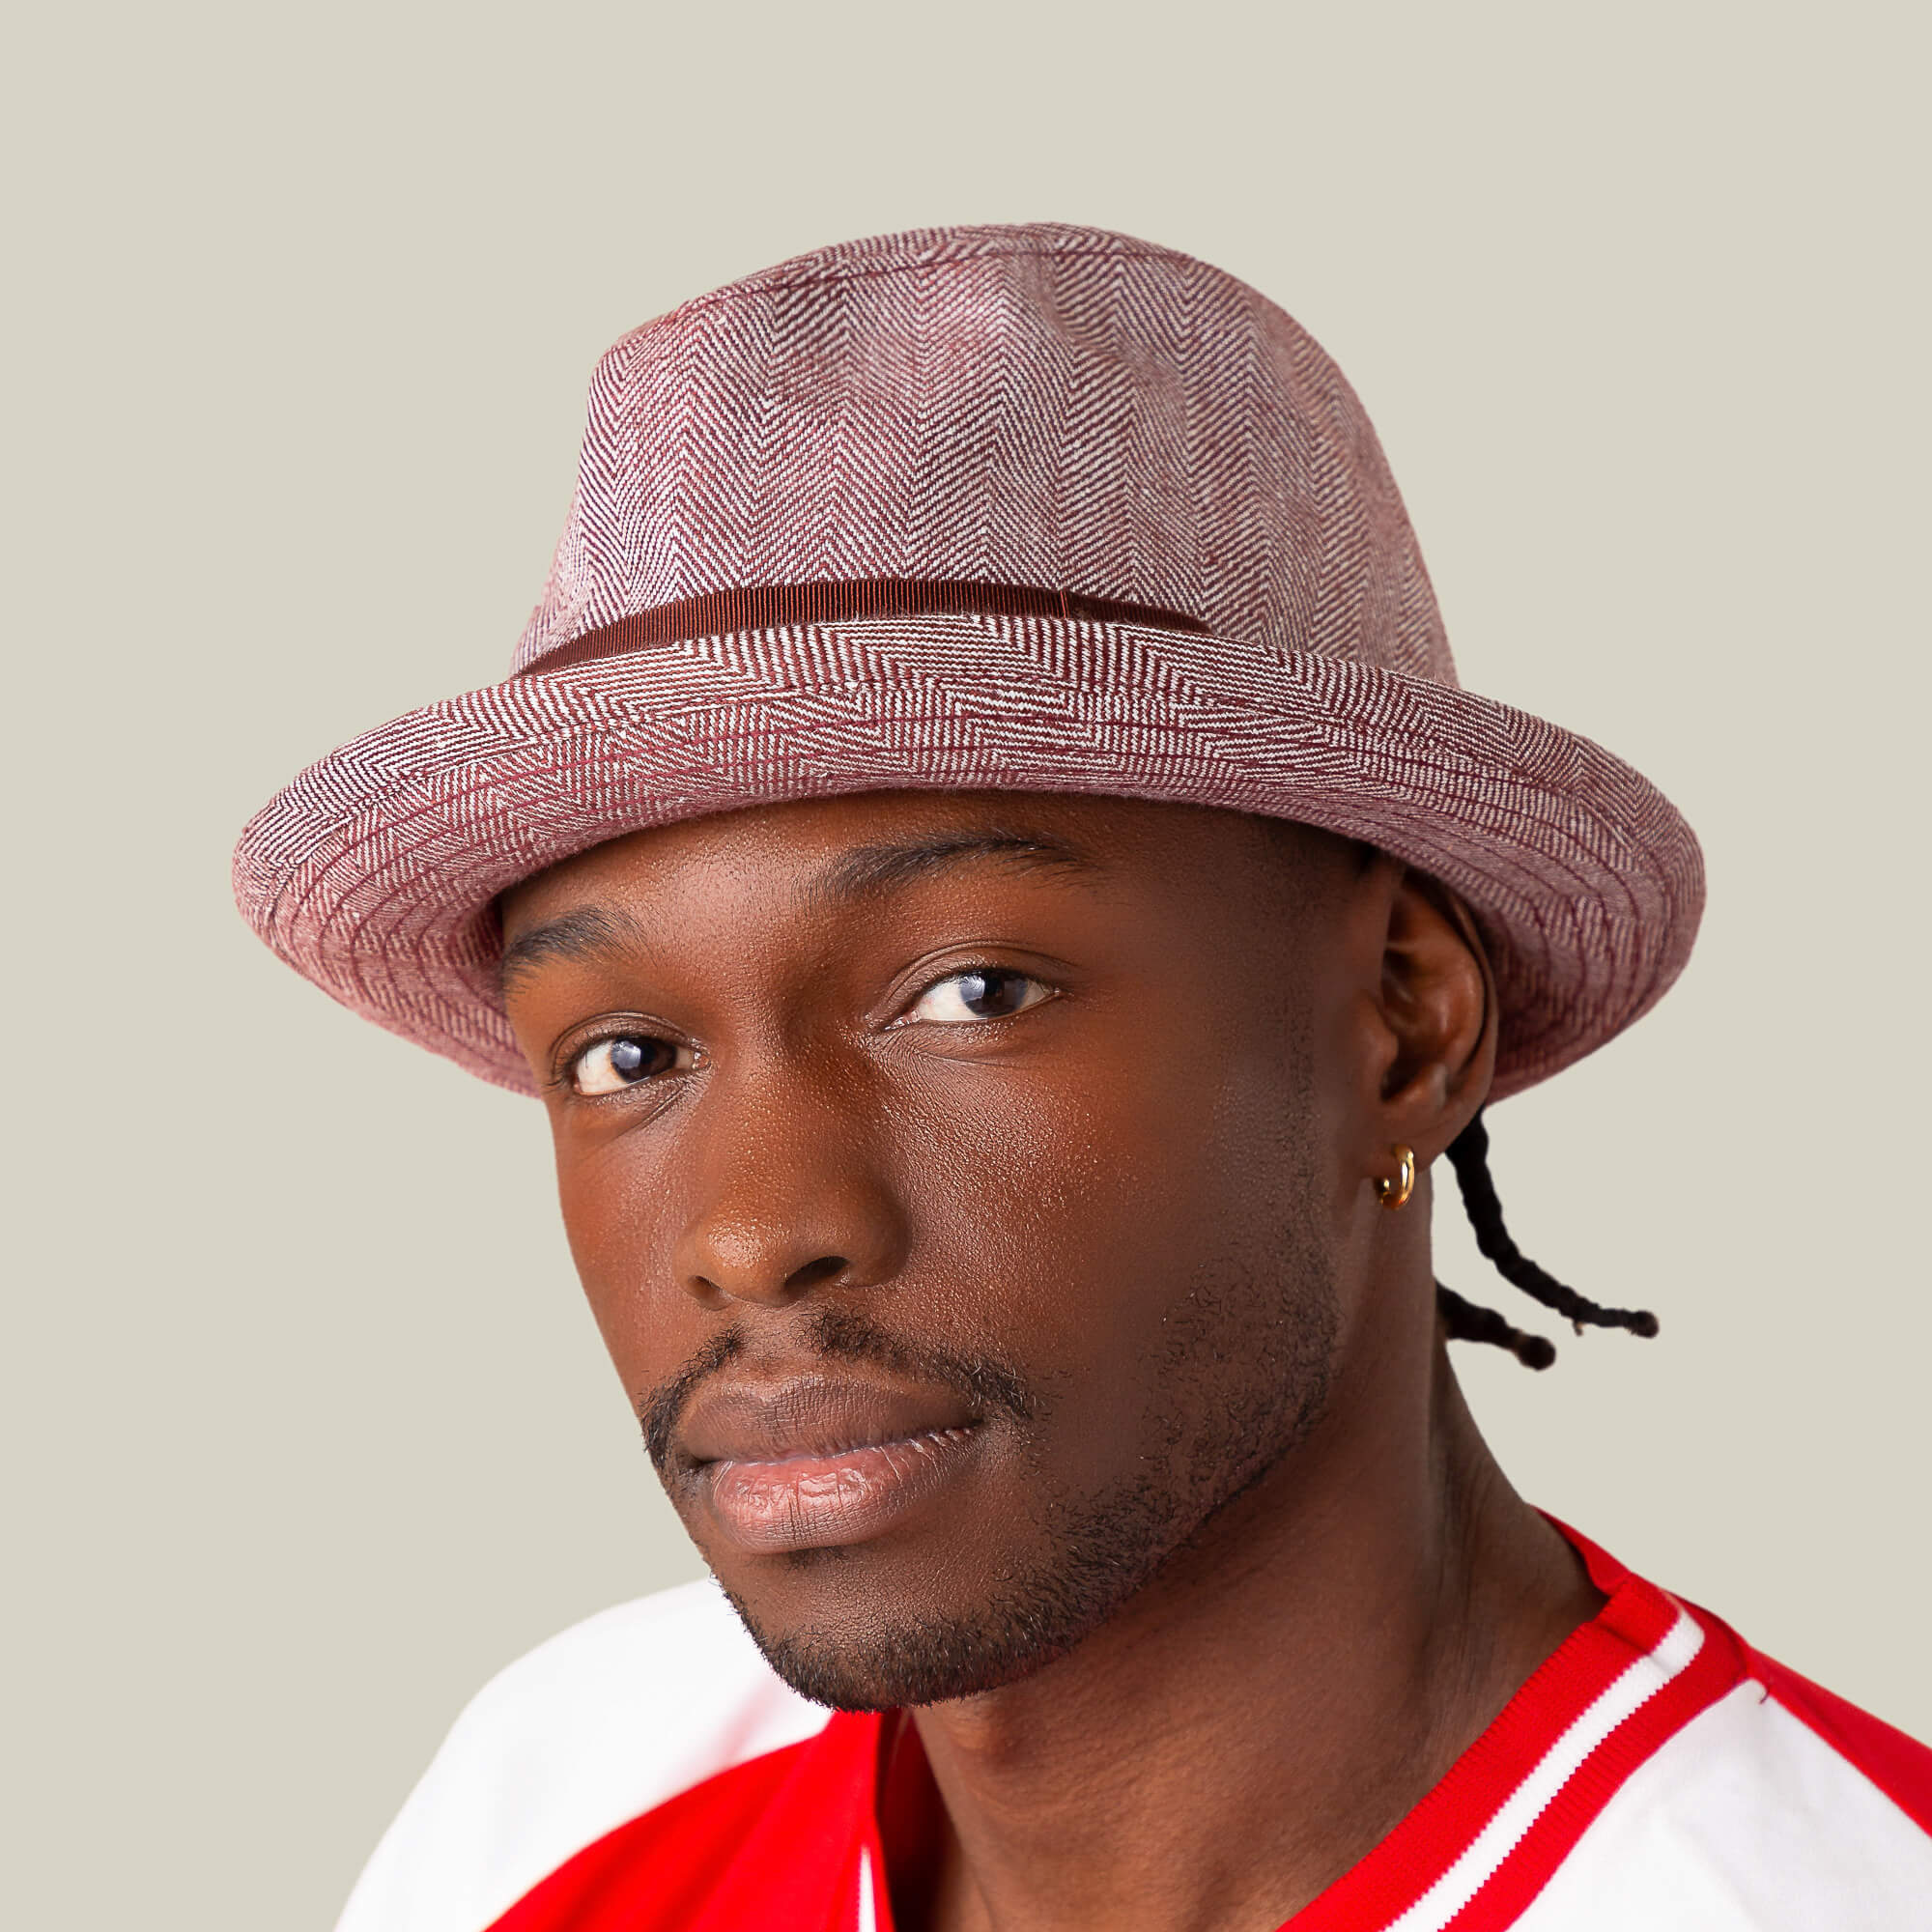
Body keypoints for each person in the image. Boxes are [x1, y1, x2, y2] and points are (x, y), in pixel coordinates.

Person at [234, 223, 1930, 1932]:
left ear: (1404, 1025)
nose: (750, 1236)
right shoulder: (561, 1790)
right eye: (626, 1054)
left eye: (970, 992)